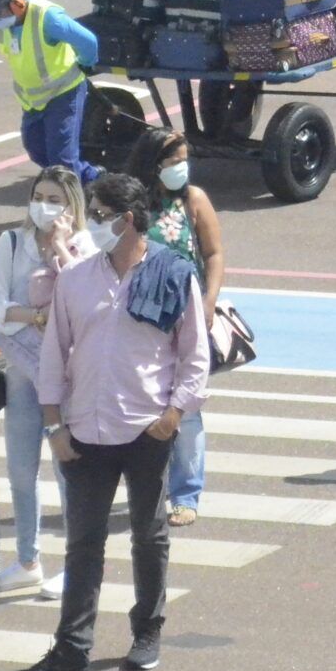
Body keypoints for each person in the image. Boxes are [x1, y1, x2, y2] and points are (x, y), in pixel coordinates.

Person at [18, 173, 209, 671]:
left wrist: (172, 416)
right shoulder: (77, 279)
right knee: (83, 544)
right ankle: (72, 651)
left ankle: (148, 629)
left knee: (149, 537)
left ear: (127, 221)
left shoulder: (174, 274)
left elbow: (195, 355)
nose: (92, 222)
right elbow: (54, 354)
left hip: (146, 430)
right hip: (84, 431)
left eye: (100, 215)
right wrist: (54, 426)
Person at [0, 166, 91, 591]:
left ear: (71, 206)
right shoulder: (12, 243)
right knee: (20, 467)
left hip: (66, 373)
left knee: (66, 465)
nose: (44, 206)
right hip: (21, 368)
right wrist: (35, 317)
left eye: (54, 200)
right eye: (39, 196)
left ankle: (75, 562)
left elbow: (82, 300)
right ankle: (28, 559)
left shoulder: (83, 247)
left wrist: (60, 249)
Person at [131, 132, 226, 528]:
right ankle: (151, 485)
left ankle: (185, 492)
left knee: (185, 409)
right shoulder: (135, 203)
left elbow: (214, 253)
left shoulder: (193, 201)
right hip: (142, 321)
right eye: (173, 162)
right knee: (144, 403)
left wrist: (208, 301)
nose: (181, 169)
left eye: (184, 161)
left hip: (187, 319)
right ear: (154, 164)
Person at [0, 0, 101, 187]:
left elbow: (87, 41)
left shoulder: (48, 18)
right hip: (32, 100)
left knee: (62, 159)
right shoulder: (1, 26)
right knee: (37, 150)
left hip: (63, 93)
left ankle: (72, 208)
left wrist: (86, 63)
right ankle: (91, 177)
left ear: (16, 5)